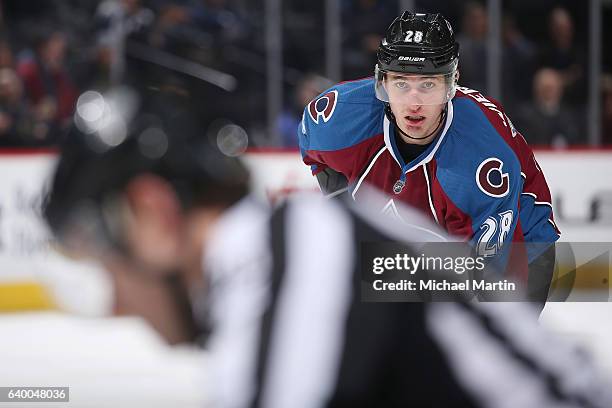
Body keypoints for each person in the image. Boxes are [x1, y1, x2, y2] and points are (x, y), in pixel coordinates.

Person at [42, 86, 612, 407]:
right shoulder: (299, 244)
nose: (113, 302)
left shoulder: (295, 255)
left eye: (98, 253)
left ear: (154, 213)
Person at [298, 11, 559, 301]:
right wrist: (351, 217)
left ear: (452, 83)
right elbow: (312, 143)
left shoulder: (481, 160)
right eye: (400, 83)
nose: (414, 102)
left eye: (428, 84)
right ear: (381, 81)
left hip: (520, 248)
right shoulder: (340, 118)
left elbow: (489, 282)